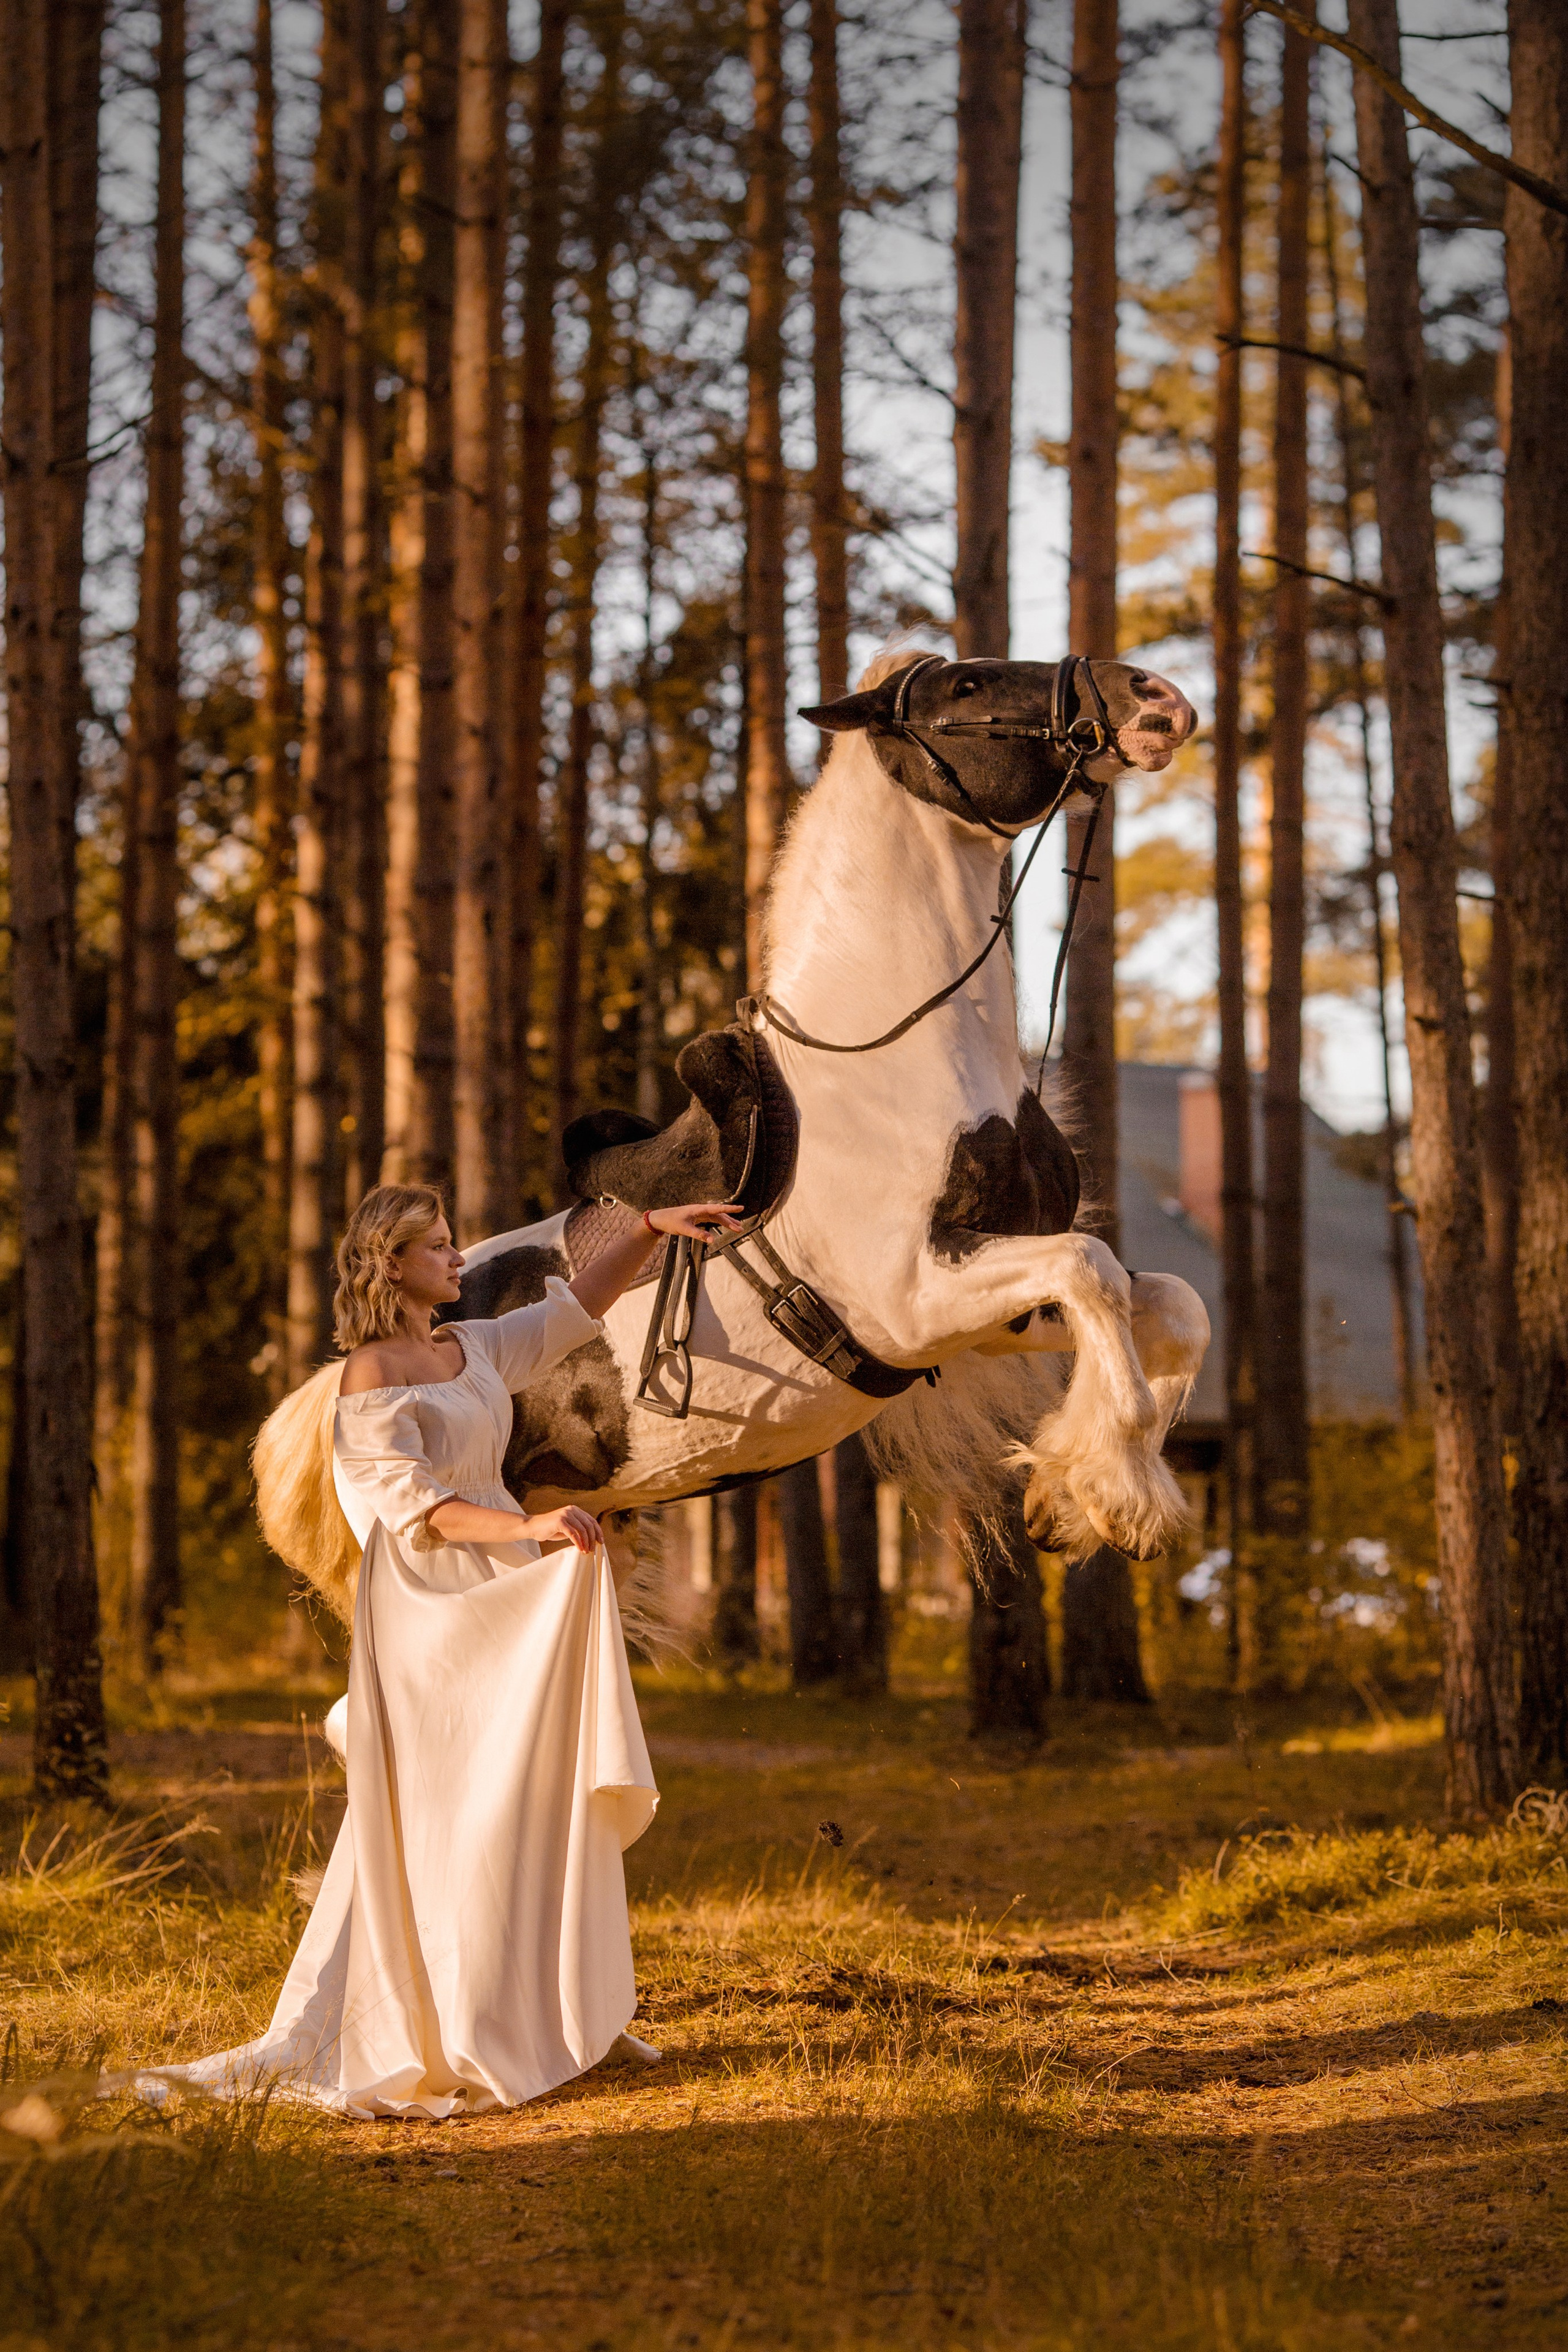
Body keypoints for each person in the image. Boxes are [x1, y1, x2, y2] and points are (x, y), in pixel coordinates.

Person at [121, 1182, 739, 2119]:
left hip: (500, 1594)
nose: (460, 1259)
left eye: (454, 1244)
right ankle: (445, 2020)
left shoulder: (473, 1347)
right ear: (393, 1263)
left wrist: (650, 1227)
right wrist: (527, 1530)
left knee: (524, 1794)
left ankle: (540, 2007)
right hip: (427, 1611)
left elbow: (578, 1307)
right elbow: (415, 1512)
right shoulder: (367, 1377)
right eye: (441, 1247)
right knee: (452, 1809)